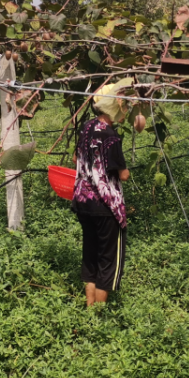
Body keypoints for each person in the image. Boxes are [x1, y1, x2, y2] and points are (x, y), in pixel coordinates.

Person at [71, 79, 132, 307]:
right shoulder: (111, 136)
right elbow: (123, 175)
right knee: (108, 260)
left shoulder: (86, 127)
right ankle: (97, 316)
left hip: (83, 201)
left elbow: (77, 158)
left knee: (91, 254)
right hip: (106, 208)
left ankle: (89, 310)